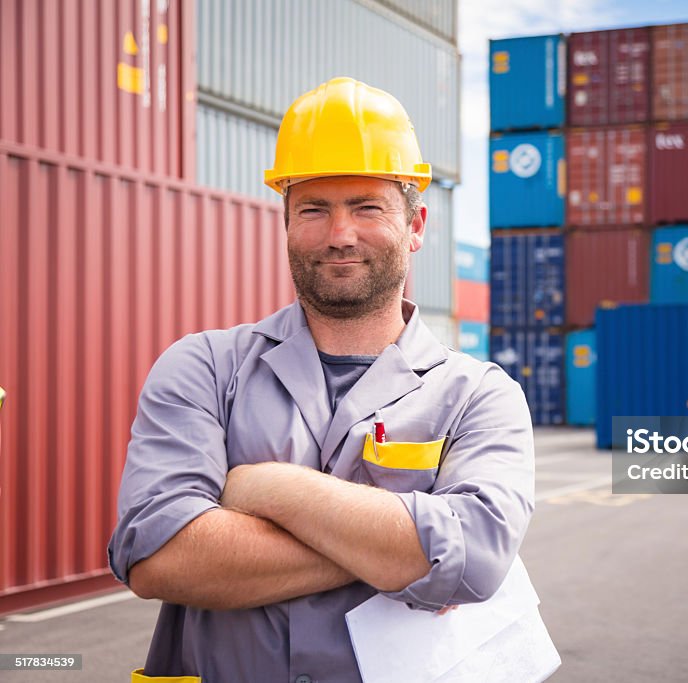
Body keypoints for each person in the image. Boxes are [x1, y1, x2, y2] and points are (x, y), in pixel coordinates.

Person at [108, 77, 535, 682]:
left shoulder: (480, 395)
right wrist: (404, 547)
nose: (340, 234)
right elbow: (158, 555)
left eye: (366, 206)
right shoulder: (203, 366)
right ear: (285, 223)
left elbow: (478, 562)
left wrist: (269, 489)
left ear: (415, 226)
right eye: (314, 209)